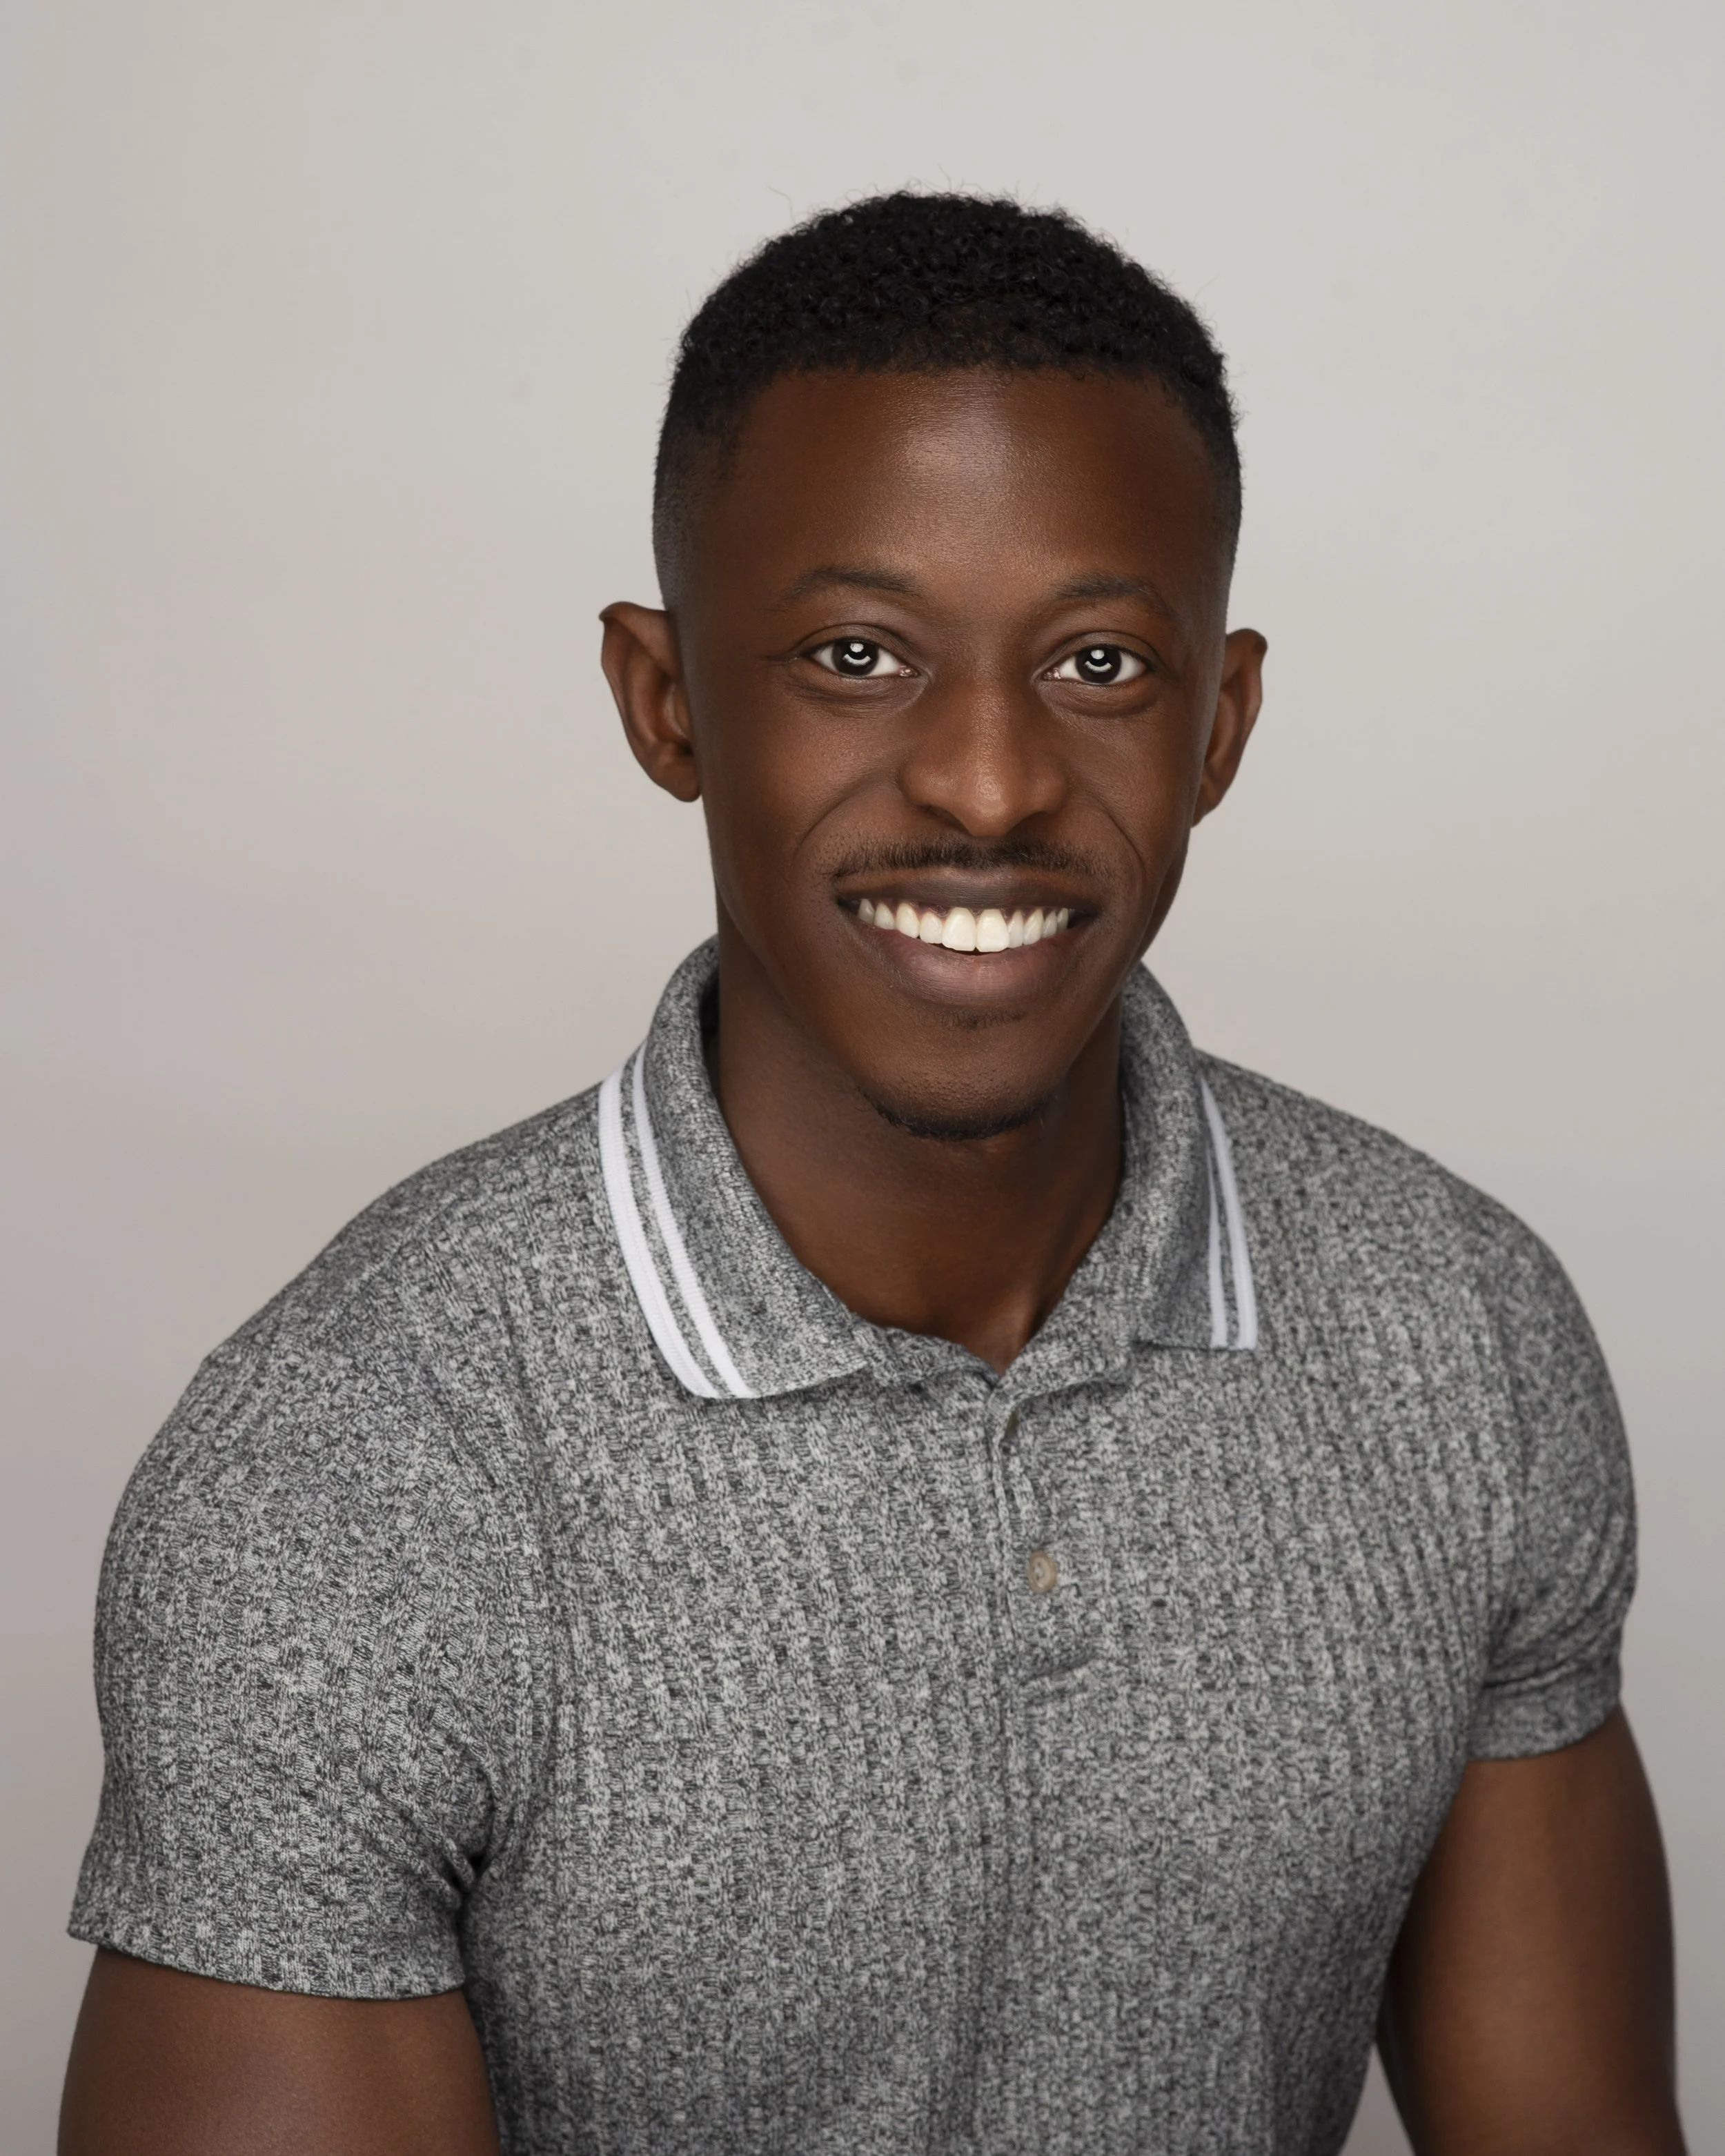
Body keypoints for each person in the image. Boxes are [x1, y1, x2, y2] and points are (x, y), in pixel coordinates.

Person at [59, 192, 1684, 2156]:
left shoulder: (1458, 1335)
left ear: (1220, 723)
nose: (987, 781)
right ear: (667, 703)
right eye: (856, 652)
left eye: (1096, 663)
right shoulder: (346, 1475)